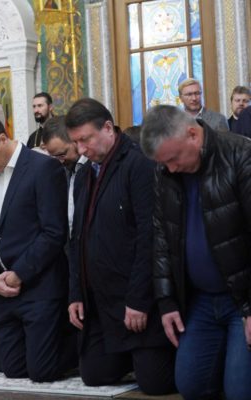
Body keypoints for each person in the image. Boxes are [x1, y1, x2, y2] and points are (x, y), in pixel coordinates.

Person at [140, 105, 251, 400]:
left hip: (241, 299)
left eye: (174, 158)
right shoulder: (165, 171)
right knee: (191, 385)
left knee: (240, 391)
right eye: (164, 163)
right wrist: (166, 301)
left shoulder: (240, 155)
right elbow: (162, 237)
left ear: (192, 134)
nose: (171, 168)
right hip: (199, 300)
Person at [65, 98, 175, 395]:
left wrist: (139, 300)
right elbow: (77, 239)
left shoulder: (139, 164)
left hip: (136, 300)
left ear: (108, 128)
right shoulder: (84, 174)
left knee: (155, 384)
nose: (81, 149)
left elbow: (149, 237)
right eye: (76, 142)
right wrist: (76, 293)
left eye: (85, 139)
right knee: (94, 375)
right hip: (101, 303)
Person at [0, 113, 76, 382]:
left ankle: (80, 345)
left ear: (2, 139)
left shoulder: (43, 168)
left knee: (40, 372)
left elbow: (53, 233)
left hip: (39, 285)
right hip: (3, 289)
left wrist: (19, 273)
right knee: (11, 369)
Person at [40, 116, 87, 235]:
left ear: (75, 140)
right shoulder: (61, 170)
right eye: (54, 156)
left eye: (62, 154)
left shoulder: (93, 167)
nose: (60, 161)